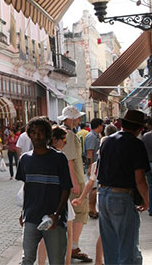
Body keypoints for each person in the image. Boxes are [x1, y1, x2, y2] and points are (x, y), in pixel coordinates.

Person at [16, 117, 72, 265]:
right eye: (33, 132)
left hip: (53, 219)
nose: (36, 136)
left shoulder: (59, 159)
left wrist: (57, 215)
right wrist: (23, 211)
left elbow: (66, 188)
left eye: (41, 132)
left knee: (56, 261)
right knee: (27, 259)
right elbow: (26, 187)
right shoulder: (25, 159)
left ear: (48, 135)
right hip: (31, 217)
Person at [97, 110, 150, 264]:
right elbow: (140, 178)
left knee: (110, 247)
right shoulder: (136, 144)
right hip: (121, 196)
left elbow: (97, 170)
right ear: (139, 128)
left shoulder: (107, 141)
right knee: (127, 247)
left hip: (103, 195)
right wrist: (146, 200)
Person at [37, 126, 77, 265]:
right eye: (64, 139)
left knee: (43, 236)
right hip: (58, 200)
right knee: (67, 232)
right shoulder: (59, 157)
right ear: (55, 139)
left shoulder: (39, 155)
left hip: (42, 201)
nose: (65, 143)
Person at [58, 106, 91, 262]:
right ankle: (73, 246)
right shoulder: (69, 134)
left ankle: (70, 245)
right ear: (71, 119)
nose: (79, 120)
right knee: (80, 211)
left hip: (70, 178)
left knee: (73, 213)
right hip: (74, 178)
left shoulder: (64, 133)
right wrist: (75, 183)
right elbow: (69, 160)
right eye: (77, 117)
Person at [72, 159, 104, 265]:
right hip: (116, 198)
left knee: (105, 232)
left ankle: (99, 261)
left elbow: (90, 183)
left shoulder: (97, 163)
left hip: (103, 197)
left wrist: (81, 198)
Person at [84, 118, 103, 219]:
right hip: (93, 165)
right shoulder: (91, 137)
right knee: (93, 188)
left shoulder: (96, 136)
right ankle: (91, 209)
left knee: (94, 188)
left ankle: (92, 208)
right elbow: (89, 152)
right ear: (99, 126)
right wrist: (91, 166)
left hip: (95, 165)